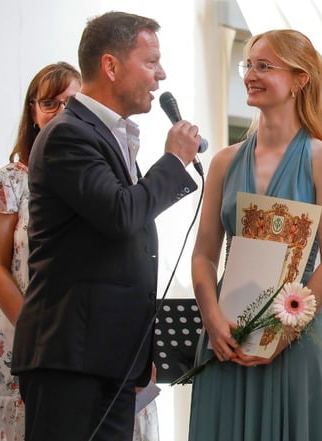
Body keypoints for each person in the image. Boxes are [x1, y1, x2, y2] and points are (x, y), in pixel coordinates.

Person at [11, 12, 201, 441]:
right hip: (71, 359)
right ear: (111, 66)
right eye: (151, 61)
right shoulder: (68, 134)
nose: (162, 74)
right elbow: (120, 215)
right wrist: (173, 162)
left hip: (111, 357)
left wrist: (142, 349)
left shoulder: (108, 133)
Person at [188, 29, 322, 441]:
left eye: (264, 66)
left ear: (300, 79)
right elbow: (204, 255)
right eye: (249, 65)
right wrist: (211, 318)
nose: (250, 75)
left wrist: (284, 335)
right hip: (225, 332)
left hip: (295, 339)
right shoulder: (224, 162)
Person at [0, 62, 80, 441]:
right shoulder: (11, 181)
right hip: (27, 335)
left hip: (87, 337)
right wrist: (36, 331)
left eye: (72, 103)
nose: (62, 113)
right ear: (32, 112)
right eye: (50, 103)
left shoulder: (98, 175)